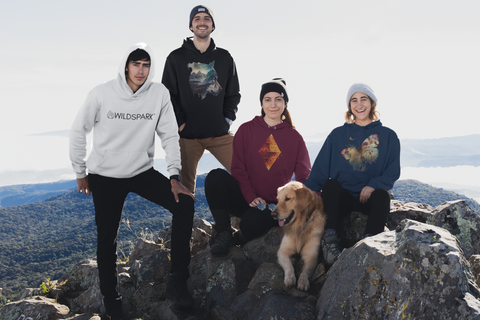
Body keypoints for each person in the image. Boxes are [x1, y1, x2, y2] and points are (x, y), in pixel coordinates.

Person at [69, 43, 196, 317]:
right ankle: (113, 303)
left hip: (141, 171)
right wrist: (80, 170)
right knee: (107, 240)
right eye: (136, 64)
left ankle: (177, 282)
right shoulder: (102, 93)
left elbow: (170, 135)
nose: (141, 70)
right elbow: (78, 129)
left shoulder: (158, 93)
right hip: (104, 175)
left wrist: (174, 175)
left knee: (184, 204)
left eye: (146, 65)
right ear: (126, 65)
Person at [205, 79, 311, 255]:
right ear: (261, 103)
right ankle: (223, 232)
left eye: (278, 99)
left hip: (272, 206)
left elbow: (303, 178)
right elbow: (238, 169)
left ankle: (238, 239)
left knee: (253, 221)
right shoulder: (246, 130)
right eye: (268, 99)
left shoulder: (295, 138)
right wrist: (251, 197)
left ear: (285, 103)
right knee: (215, 177)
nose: (273, 104)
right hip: (245, 196)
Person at [304, 83, 400, 266]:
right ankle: (329, 243)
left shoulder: (388, 136)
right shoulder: (337, 135)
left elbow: (392, 171)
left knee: (382, 195)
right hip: (343, 200)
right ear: (349, 106)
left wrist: (373, 184)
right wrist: (299, 199)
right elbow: (320, 171)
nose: (359, 104)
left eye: (364, 99)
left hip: (369, 199)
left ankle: (369, 247)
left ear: (372, 103)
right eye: (354, 100)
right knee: (330, 185)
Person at [162, 5, 241, 194]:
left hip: (220, 134)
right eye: (197, 19)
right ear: (191, 26)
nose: (202, 22)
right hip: (188, 136)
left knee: (246, 174)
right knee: (184, 189)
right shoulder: (176, 58)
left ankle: (242, 217)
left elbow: (233, 93)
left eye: (207, 18)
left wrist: (227, 119)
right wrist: (181, 123)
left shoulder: (224, 57)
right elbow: (167, 96)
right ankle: (184, 224)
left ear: (213, 26)